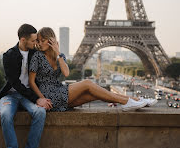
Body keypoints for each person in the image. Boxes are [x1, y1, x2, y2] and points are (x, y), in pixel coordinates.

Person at [29, 27, 157, 112]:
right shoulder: (37, 56)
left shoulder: (58, 56)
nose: (39, 44)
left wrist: (58, 53)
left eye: (42, 40)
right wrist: (42, 98)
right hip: (48, 95)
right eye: (38, 41)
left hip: (59, 91)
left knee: (93, 94)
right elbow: (32, 82)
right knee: (87, 83)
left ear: (51, 40)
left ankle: (136, 100)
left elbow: (66, 73)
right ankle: (128, 101)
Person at [0, 24, 53, 148]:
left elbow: (50, 70)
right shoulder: (9, 55)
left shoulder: (36, 54)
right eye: (33, 40)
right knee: (5, 114)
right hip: (10, 95)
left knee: (40, 112)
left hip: (28, 96)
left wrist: (56, 50)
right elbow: (15, 84)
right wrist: (37, 99)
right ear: (22, 39)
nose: (36, 43)